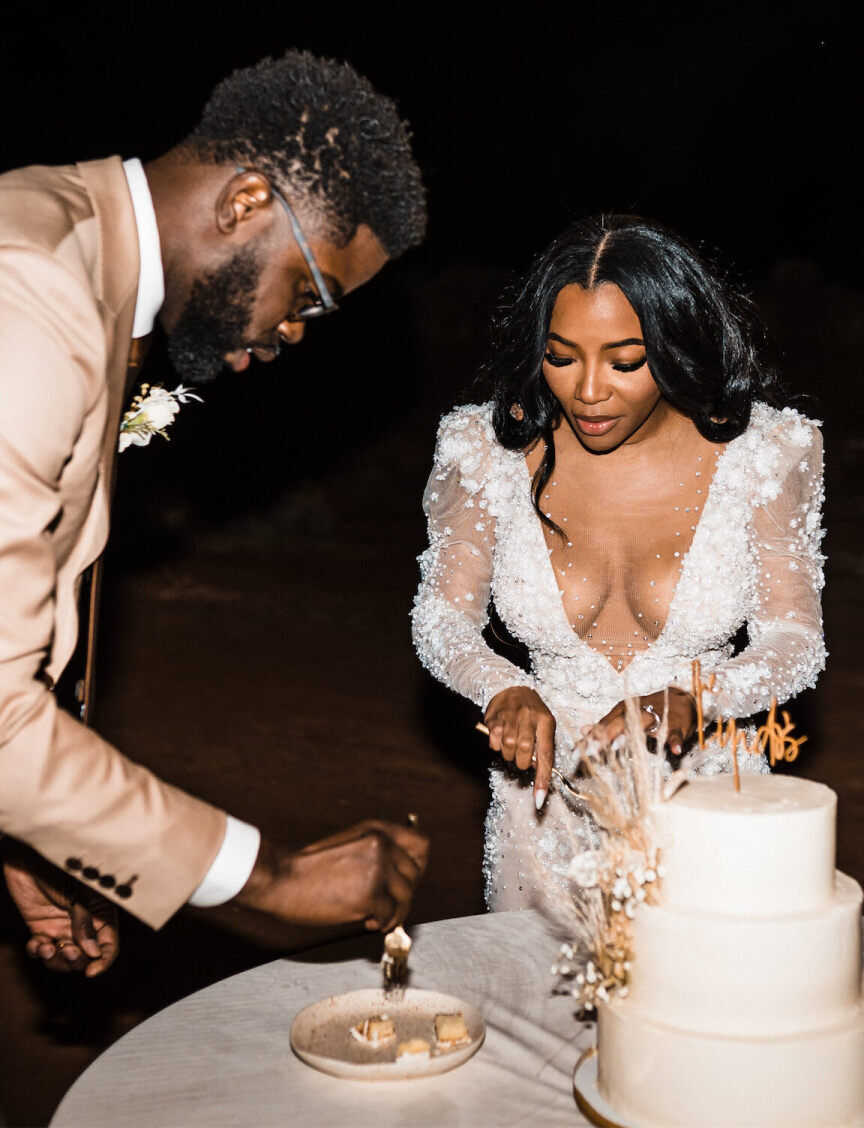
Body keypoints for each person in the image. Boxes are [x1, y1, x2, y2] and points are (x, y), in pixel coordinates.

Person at [0, 50, 429, 976]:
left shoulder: (60, 231)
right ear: (244, 203)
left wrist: (30, 826)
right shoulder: (31, 296)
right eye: (306, 295)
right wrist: (267, 876)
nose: (292, 335)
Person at [411, 215, 824, 911]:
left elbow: (796, 641)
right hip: (540, 809)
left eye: (625, 362)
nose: (589, 392)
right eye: (561, 356)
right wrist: (502, 688)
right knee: (538, 1012)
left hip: (707, 801)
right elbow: (441, 617)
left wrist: (699, 698)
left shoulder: (768, 452)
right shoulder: (485, 451)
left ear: (675, 344)